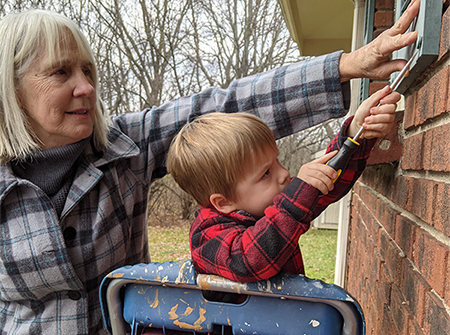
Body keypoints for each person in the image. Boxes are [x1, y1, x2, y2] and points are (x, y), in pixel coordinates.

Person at [0, 1, 419, 334]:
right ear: (12, 89)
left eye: (88, 70)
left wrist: (348, 80)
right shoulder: (213, 233)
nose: (87, 87)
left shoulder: (123, 148)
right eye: (60, 72)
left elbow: (226, 110)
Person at [167, 84, 399, 283]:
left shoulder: (267, 209)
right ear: (223, 201)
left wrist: (355, 134)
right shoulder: (208, 236)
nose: (284, 174)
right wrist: (297, 196)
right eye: (265, 173)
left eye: (277, 161)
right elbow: (249, 261)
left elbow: (327, 184)